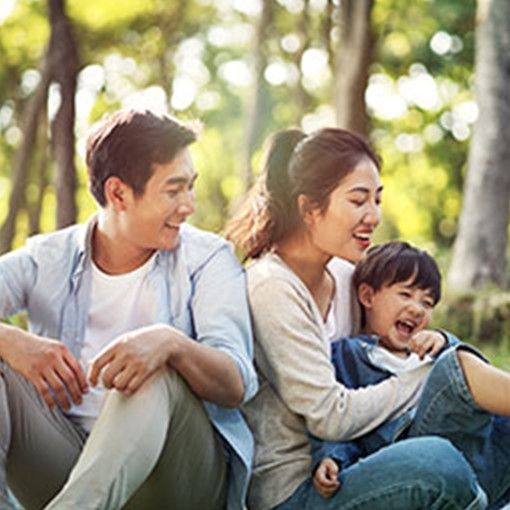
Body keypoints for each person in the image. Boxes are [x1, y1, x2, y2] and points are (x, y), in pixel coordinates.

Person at [0, 109, 257, 510]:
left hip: (177, 476)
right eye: (174, 191)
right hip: (69, 463)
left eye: (191, 187)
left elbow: (235, 382)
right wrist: (10, 339)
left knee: (154, 369)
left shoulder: (208, 259)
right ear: (119, 194)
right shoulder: (48, 259)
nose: (189, 205)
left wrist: (170, 344)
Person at [226, 128, 487, 510]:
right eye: (359, 200)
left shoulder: (348, 276)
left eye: (377, 200)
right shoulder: (271, 288)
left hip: (368, 455)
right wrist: (428, 376)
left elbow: (395, 348)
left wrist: (438, 347)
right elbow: (331, 416)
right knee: (438, 462)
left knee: (493, 428)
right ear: (309, 209)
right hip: (301, 491)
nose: (374, 216)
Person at [310, 241, 510, 509]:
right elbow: (335, 416)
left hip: (481, 458)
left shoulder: (430, 347)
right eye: (405, 294)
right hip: (415, 451)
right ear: (368, 296)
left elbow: (481, 382)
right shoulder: (348, 355)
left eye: (427, 303)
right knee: (457, 366)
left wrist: (442, 339)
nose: (417, 309)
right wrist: (332, 457)